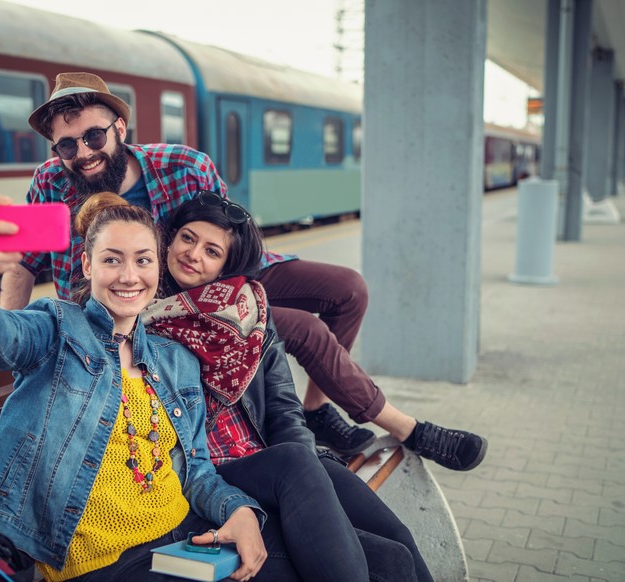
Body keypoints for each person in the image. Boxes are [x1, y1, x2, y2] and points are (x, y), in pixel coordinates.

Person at [0, 71, 488, 472]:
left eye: (93, 135)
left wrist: (238, 298)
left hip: (219, 279)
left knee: (349, 290)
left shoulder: (185, 165)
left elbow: (227, 242)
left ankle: (317, 410)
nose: (83, 153)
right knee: (302, 329)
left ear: (119, 128)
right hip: (152, 313)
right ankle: (407, 427)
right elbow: (22, 264)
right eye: (67, 145)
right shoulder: (49, 182)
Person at [0, 194, 296, 581]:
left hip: (184, 538)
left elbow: (197, 471)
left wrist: (239, 511)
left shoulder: (174, 358)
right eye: (112, 259)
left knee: (348, 558)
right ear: (87, 264)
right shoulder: (55, 328)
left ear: (158, 268)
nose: (129, 276)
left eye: (143, 260)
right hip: (107, 564)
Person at [140, 191, 433, 581]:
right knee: (383, 558)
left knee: (397, 539)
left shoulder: (250, 310)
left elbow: (283, 407)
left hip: (278, 460)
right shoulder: (144, 311)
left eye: (212, 251)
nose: (194, 254)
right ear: (170, 238)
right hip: (214, 470)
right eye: (188, 239)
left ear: (227, 264)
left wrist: (309, 472)